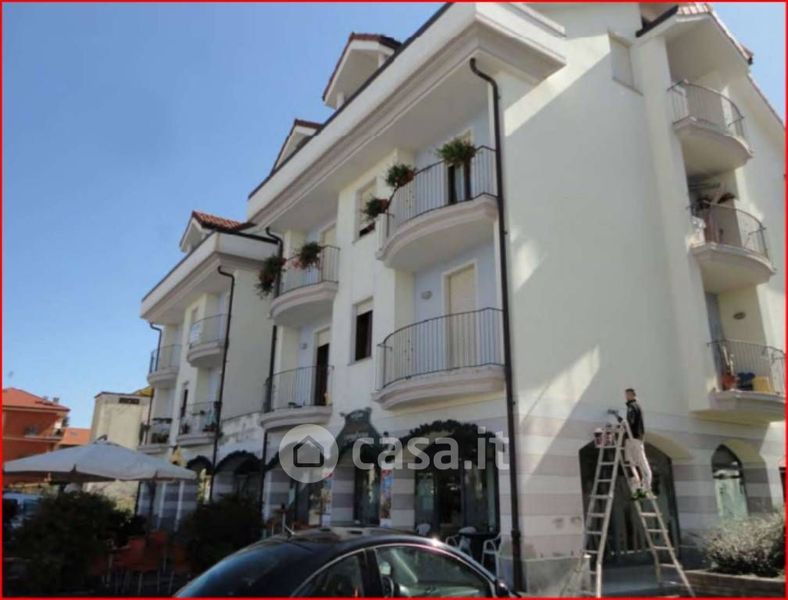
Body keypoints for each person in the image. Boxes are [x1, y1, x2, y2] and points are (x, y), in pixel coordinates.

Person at [621, 388, 653, 500]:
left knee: (637, 464)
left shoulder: (632, 406)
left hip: (633, 438)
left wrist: (623, 424)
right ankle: (639, 490)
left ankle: (643, 490)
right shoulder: (636, 406)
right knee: (634, 464)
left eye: (627, 395)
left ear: (632, 395)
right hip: (635, 438)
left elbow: (631, 422)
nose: (626, 397)